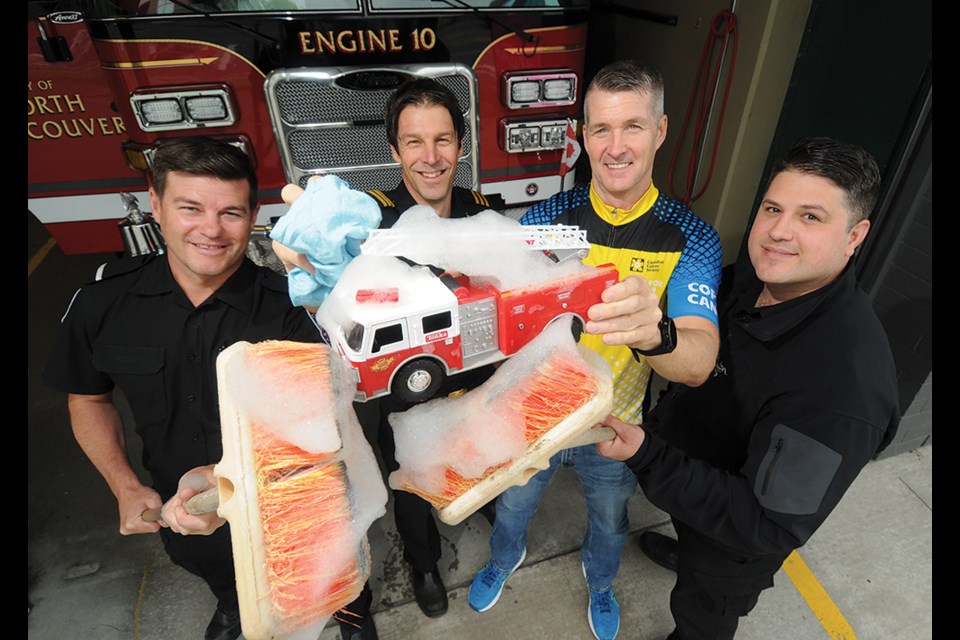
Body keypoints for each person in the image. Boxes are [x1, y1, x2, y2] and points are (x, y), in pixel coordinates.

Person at [597, 136, 900, 640]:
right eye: (773, 208)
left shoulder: (843, 388)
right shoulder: (752, 279)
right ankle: (686, 547)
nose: (778, 232)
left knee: (704, 611)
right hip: (695, 482)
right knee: (695, 542)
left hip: (733, 544)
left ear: (855, 235)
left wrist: (648, 454)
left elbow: (764, 524)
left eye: (811, 217)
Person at [468, 59, 722, 640]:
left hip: (616, 421)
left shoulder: (691, 236)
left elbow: (700, 362)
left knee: (610, 521)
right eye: (600, 129)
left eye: (632, 126)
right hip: (538, 413)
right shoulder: (549, 217)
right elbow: (503, 312)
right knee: (511, 506)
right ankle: (504, 557)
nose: (615, 146)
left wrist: (656, 332)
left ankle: (601, 582)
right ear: (582, 135)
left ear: (660, 131)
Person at [41, 137, 326, 640]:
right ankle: (232, 606)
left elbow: (323, 420)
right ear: (155, 204)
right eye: (190, 208)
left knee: (322, 572)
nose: (211, 230)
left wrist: (229, 474)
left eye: (231, 213)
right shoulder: (101, 302)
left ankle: (349, 611)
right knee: (217, 571)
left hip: (286, 502)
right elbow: (87, 396)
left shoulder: (293, 310)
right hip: (182, 511)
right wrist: (124, 485)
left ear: (254, 214)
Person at [273, 77, 506, 631]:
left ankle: (490, 505)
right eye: (414, 142)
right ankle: (424, 564)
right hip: (405, 381)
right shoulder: (367, 220)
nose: (430, 158)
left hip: (472, 370)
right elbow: (307, 256)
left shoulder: (482, 211)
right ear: (393, 150)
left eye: (443, 140)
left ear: (462, 146)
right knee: (409, 474)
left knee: (485, 456)